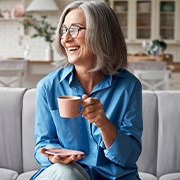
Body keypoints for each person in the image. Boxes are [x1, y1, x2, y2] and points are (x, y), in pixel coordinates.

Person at [30, 1, 143, 179]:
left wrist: (104, 123)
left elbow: (129, 157)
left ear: (101, 34)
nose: (66, 39)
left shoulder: (129, 87)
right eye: (63, 30)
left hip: (115, 176)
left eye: (74, 29)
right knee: (66, 173)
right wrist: (53, 157)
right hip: (67, 174)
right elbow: (42, 145)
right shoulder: (48, 87)